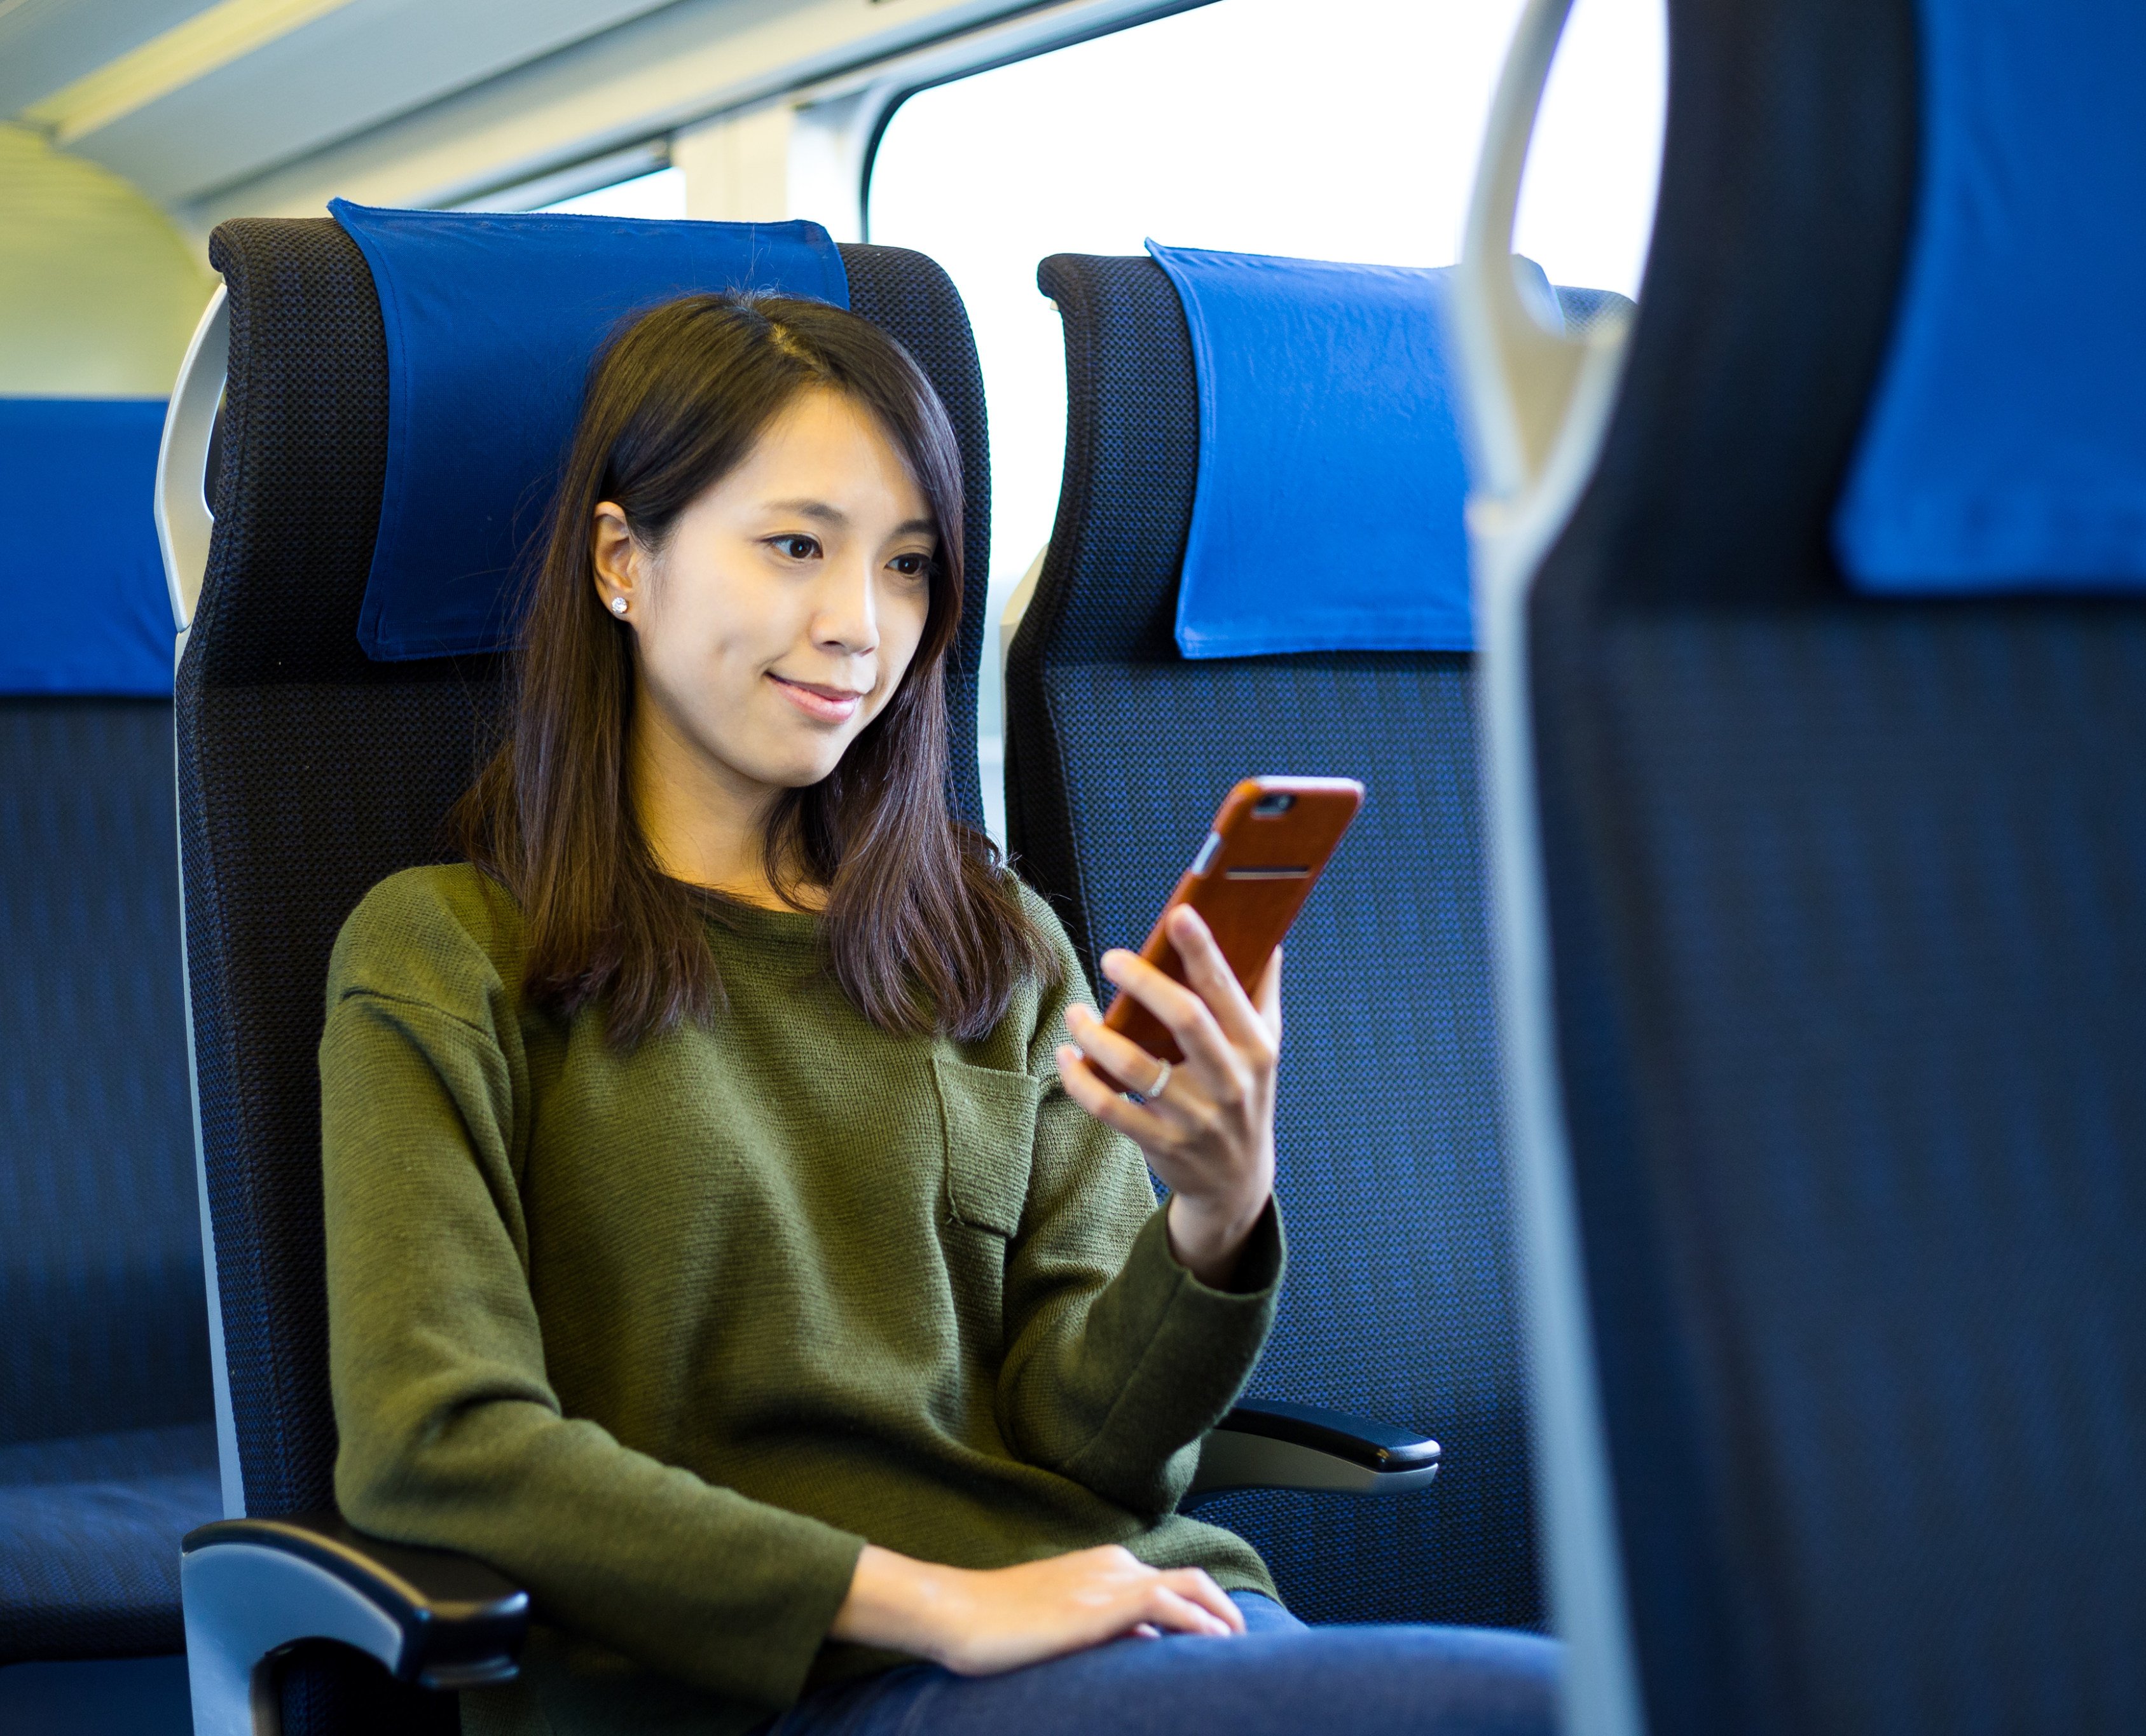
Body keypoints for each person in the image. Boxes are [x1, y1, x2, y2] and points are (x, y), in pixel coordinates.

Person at [319, 291, 1557, 1736]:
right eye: (794, 545)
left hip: (1136, 1617)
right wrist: (941, 1604)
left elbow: (1093, 1456)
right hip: (808, 1679)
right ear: (621, 561)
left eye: (907, 568)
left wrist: (1215, 1220)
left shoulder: (983, 943)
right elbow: (436, 1445)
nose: (859, 626)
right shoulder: (450, 951)